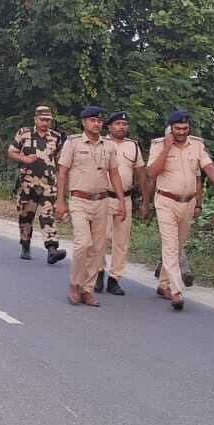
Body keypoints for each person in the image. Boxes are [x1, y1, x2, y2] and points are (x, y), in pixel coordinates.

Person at [147, 110, 214, 311]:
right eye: (177, 129)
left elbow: (208, 167)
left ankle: (163, 285)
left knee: (178, 245)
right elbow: (152, 172)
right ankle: (176, 291)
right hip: (166, 201)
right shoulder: (158, 145)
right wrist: (166, 149)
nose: (182, 132)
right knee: (171, 246)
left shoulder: (197, 144)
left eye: (185, 128)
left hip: (188, 203)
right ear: (170, 128)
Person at [55, 107, 128, 307]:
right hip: (79, 200)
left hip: (102, 201)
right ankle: (74, 284)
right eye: (92, 120)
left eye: (98, 120)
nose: (96, 124)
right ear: (84, 123)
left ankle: (88, 289)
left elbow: (114, 174)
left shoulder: (108, 145)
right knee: (83, 244)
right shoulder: (73, 143)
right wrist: (60, 201)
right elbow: (62, 172)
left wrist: (121, 201)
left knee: (98, 247)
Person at [95, 111, 146, 296]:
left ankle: (114, 278)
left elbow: (140, 172)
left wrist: (145, 200)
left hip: (125, 198)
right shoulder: (101, 144)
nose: (121, 127)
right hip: (103, 197)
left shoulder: (133, 146)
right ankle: (99, 272)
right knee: (101, 237)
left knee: (121, 241)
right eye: (117, 124)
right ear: (109, 126)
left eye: (124, 124)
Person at [6, 105, 67, 263]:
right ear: (35, 119)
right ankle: (25, 245)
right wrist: (24, 159)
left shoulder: (56, 137)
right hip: (27, 183)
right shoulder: (24, 133)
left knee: (47, 215)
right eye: (43, 120)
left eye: (48, 120)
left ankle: (52, 249)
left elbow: (61, 162)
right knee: (26, 215)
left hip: (48, 184)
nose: (46, 123)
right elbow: (11, 151)